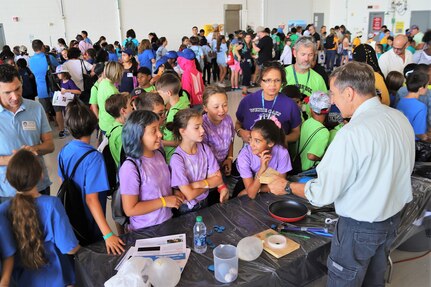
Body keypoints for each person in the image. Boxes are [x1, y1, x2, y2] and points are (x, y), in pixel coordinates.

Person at [268, 62, 415, 286]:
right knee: (374, 279)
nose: (333, 101)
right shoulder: (399, 119)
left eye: (334, 94)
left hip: (359, 227)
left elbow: (323, 194)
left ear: (349, 92)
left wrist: (286, 186)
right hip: (392, 220)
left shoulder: (352, 133)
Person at [1, 149, 80, 286]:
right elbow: (69, 248)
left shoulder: (3, 210)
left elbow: (8, 252)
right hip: (58, 278)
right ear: (40, 175)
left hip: (23, 280)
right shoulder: (52, 204)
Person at [58, 99, 125, 253]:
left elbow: (64, 182)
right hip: (90, 220)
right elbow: (91, 199)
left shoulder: (64, 150)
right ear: (94, 125)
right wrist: (108, 234)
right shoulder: (94, 158)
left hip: (72, 213)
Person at [119, 110, 183, 231]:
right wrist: (164, 201)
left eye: (159, 129)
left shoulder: (158, 154)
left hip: (166, 221)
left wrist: (173, 192)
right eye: (154, 131)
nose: (160, 135)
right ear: (138, 135)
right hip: (146, 230)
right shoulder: (130, 167)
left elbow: (161, 185)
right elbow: (130, 209)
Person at [0, 64, 54, 202]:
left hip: (38, 186)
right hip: (7, 192)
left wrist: (34, 149)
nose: (15, 96)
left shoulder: (35, 108)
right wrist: (12, 160)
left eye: (18, 89)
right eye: (7, 93)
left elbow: (49, 145)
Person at [169, 108, 223, 214]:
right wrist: (208, 185)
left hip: (204, 201)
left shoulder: (204, 149)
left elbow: (218, 179)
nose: (202, 130)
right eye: (197, 127)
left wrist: (196, 185)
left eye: (202, 126)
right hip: (187, 208)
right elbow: (189, 195)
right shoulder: (177, 159)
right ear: (183, 131)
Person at [236, 61, 302, 144]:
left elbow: (296, 132)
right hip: (250, 152)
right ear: (260, 82)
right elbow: (238, 123)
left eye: (277, 80)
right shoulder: (247, 101)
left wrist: (283, 139)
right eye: (268, 80)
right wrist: (240, 132)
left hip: (278, 153)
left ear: (282, 82)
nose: (272, 84)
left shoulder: (290, 105)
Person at [235, 119, 292, 199]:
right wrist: (262, 169)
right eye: (251, 138)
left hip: (266, 187)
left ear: (271, 143)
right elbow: (251, 194)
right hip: (247, 183)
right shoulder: (244, 155)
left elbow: (281, 183)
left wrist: (259, 189)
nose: (251, 144)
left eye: (257, 141)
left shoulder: (282, 152)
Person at [202, 86, 234, 198]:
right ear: (205, 108)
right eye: (216, 107)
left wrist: (229, 158)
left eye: (225, 105)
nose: (222, 110)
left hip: (222, 166)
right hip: (208, 173)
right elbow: (205, 156)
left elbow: (231, 140)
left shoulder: (228, 119)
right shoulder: (202, 127)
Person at [156, 72, 190, 162]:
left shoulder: (175, 113)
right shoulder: (182, 104)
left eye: (160, 94)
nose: (159, 96)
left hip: (174, 157)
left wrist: (162, 142)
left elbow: (182, 141)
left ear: (168, 93)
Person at [298, 91, 330, 172]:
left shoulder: (306, 122)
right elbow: (311, 156)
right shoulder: (324, 132)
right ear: (328, 109)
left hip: (297, 166)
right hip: (307, 171)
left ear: (311, 109)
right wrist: (326, 158)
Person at [396, 69, 429, 141]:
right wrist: (426, 138)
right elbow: (418, 133)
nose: (427, 89)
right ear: (421, 89)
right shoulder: (421, 107)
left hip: (402, 139)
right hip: (413, 142)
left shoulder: (401, 101)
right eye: (426, 86)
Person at [105, 93, 133, 166]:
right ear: (123, 111)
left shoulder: (112, 126)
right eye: (130, 105)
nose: (132, 107)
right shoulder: (123, 133)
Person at [96, 61, 123, 133]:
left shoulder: (103, 82)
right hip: (111, 124)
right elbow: (117, 110)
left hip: (103, 121)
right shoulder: (112, 90)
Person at [55, 66, 81, 138]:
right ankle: (69, 130)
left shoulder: (70, 82)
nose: (58, 75)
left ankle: (75, 130)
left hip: (70, 104)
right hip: (64, 104)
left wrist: (67, 90)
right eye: (57, 74)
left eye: (59, 73)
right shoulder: (61, 82)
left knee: (71, 118)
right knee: (66, 117)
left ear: (64, 73)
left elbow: (78, 92)